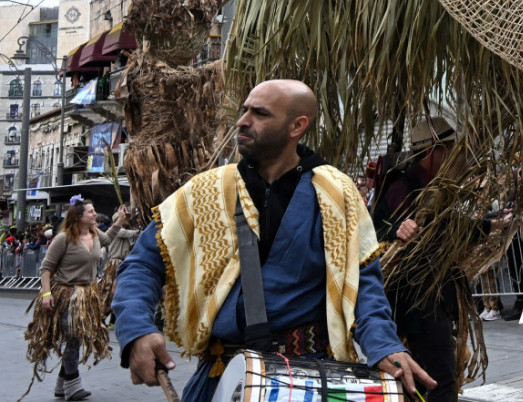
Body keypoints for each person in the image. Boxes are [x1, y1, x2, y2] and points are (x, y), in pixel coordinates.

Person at [112, 79, 432, 402]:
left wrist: (384, 345)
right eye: (244, 110)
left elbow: (364, 284)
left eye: (259, 113)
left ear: (297, 126)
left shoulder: (337, 195)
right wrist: (136, 327)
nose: (242, 120)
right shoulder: (204, 192)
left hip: (308, 379)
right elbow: (142, 264)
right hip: (218, 380)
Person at [373, 123, 502, 402]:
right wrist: (397, 228)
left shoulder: (434, 186)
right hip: (413, 298)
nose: (454, 155)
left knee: (426, 375)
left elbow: (449, 225)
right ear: (435, 150)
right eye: (450, 149)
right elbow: (377, 230)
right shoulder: (402, 184)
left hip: (431, 293)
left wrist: (490, 225)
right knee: (440, 378)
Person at [25, 196, 112, 401]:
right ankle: (73, 383)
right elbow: (45, 268)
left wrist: (119, 222)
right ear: (78, 216)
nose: (94, 214)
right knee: (73, 334)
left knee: (78, 337)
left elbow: (108, 239)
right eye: (90, 211)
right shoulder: (63, 238)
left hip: (87, 294)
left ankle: (61, 386)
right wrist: (46, 294)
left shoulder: (95, 233)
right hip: (66, 294)